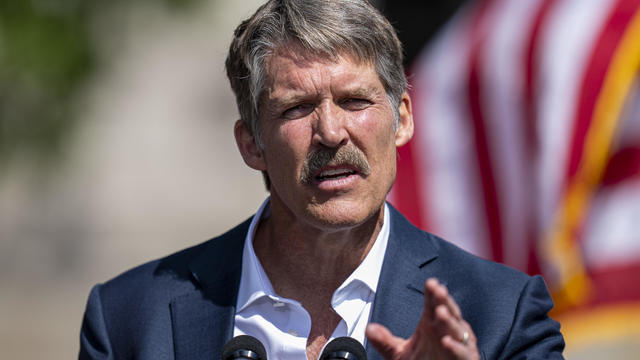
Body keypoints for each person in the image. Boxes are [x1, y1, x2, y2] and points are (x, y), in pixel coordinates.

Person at [79, 0, 565, 359]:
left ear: (403, 120)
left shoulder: (503, 314)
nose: (331, 133)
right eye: (297, 108)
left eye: (355, 101)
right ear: (251, 143)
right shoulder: (128, 318)